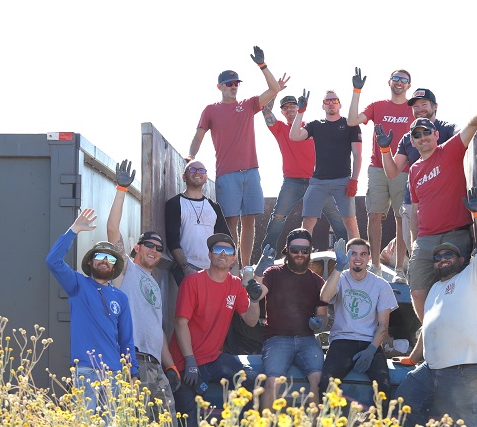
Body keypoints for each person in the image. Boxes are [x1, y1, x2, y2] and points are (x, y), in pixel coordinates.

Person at [376, 106, 477, 364]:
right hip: (426, 240)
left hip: (455, 234)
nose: (422, 138)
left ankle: (428, 349)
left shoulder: (449, 151)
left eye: (426, 133)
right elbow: (415, 210)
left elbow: (471, 126)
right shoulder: (414, 170)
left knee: (456, 291)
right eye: (417, 136)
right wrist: (415, 241)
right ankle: (432, 338)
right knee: (417, 292)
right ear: (413, 142)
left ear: (435, 135)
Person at [395, 187, 477, 427]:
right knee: (403, 402)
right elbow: (429, 327)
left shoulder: (472, 275)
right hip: (432, 370)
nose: (442, 260)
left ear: (461, 260)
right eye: (437, 258)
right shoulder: (434, 292)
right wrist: (413, 357)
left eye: (448, 255)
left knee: (462, 423)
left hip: (465, 368)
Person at [186, 46, 283, 269]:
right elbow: (199, 135)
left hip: (251, 171)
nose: (233, 87)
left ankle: (246, 267)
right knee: (230, 222)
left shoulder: (248, 104)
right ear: (219, 87)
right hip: (226, 174)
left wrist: (262, 65)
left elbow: (274, 88)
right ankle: (233, 265)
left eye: (236, 83)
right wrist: (191, 156)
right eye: (229, 84)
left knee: (249, 220)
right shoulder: (211, 109)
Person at [45, 208, 138, 414]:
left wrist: (133, 373)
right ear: (90, 261)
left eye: (111, 259)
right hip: (85, 370)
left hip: (114, 373)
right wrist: (74, 230)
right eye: (101, 256)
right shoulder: (77, 284)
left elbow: (126, 340)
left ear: (114, 267)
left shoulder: (121, 298)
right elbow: (53, 261)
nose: (105, 261)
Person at [106, 159, 179, 423]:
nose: (154, 250)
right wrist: (121, 190)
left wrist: (169, 365)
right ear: (137, 248)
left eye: (159, 248)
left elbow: (157, 328)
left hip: (155, 365)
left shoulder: (155, 285)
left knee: (166, 421)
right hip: (131, 361)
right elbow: (112, 230)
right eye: (149, 244)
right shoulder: (126, 269)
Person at [169, 233, 263, 427]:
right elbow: (180, 323)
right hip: (185, 360)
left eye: (228, 250)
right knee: (188, 417)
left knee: (253, 383)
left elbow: (251, 321)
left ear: (233, 258)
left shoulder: (236, 284)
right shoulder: (193, 281)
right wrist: (190, 361)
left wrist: (254, 300)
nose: (222, 253)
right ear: (209, 255)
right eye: (217, 250)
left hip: (213, 358)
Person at [347, 68, 414, 281]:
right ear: (390, 81)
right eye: (396, 78)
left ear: (408, 85)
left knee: (401, 218)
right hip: (378, 167)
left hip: (403, 168)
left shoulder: (413, 109)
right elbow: (352, 120)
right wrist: (357, 90)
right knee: (374, 215)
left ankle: (400, 270)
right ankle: (375, 266)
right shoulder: (378, 106)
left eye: (404, 80)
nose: (399, 82)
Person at [260, 93, 348, 251]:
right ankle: (267, 253)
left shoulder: (313, 128)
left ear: (299, 108)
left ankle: (351, 251)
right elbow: (265, 111)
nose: (289, 109)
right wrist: (275, 90)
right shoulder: (280, 128)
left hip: (316, 182)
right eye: (285, 108)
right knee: (278, 216)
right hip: (291, 182)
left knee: (336, 216)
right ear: (282, 113)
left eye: (292, 106)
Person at [319, 237, 398, 409]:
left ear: (369, 257)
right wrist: (338, 267)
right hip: (342, 341)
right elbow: (324, 297)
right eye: (352, 253)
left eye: (363, 254)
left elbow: (383, 325)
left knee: (384, 388)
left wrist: (371, 350)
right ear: (347, 257)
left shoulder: (381, 285)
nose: (358, 258)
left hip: (371, 343)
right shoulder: (340, 278)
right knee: (326, 385)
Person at [254, 228, 328, 410]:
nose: (300, 254)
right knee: (272, 381)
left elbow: (323, 315)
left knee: (318, 382)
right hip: (277, 338)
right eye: (295, 250)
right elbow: (256, 293)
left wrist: (320, 323)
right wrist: (259, 270)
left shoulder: (318, 281)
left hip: (307, 339)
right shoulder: (272, 273)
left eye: (305, 250)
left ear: (311, 251)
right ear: (287, 250)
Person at [390, 88, 456, 275]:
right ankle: (418, 279)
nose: (419, 109)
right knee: (417, 253)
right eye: (415, 106)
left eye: (424, 105)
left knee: (443, 256)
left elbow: (462, 136)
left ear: (435, 107)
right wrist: (385, 149)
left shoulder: (446, 129)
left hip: (441, 203)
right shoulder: (407, 138)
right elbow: (393, 170)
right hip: (413, 201)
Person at [290, 89, 362, 239]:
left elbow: (357, 154)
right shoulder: (316, 125)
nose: (331, 104)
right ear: (323, 106)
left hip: (343, 180)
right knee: (308, 221)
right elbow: (294, 136)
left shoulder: (351, 125)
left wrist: (354, 180)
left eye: (334, 101)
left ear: (340, 105)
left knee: (350, 222)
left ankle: (357, 261)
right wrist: (300, 111)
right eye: (327, 101)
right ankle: (303, 258)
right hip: (318, 182)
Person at [165, 159, 232, 285]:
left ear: (206, 177)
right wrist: (185, 268)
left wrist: (229, 269)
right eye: (192, 170)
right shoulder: (174, 204)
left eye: (202, 170)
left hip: (213, 270)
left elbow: (226, 240)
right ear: (184, 177)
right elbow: (172, 241)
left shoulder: (214, 206)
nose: (197, 173)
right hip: (188, 268)